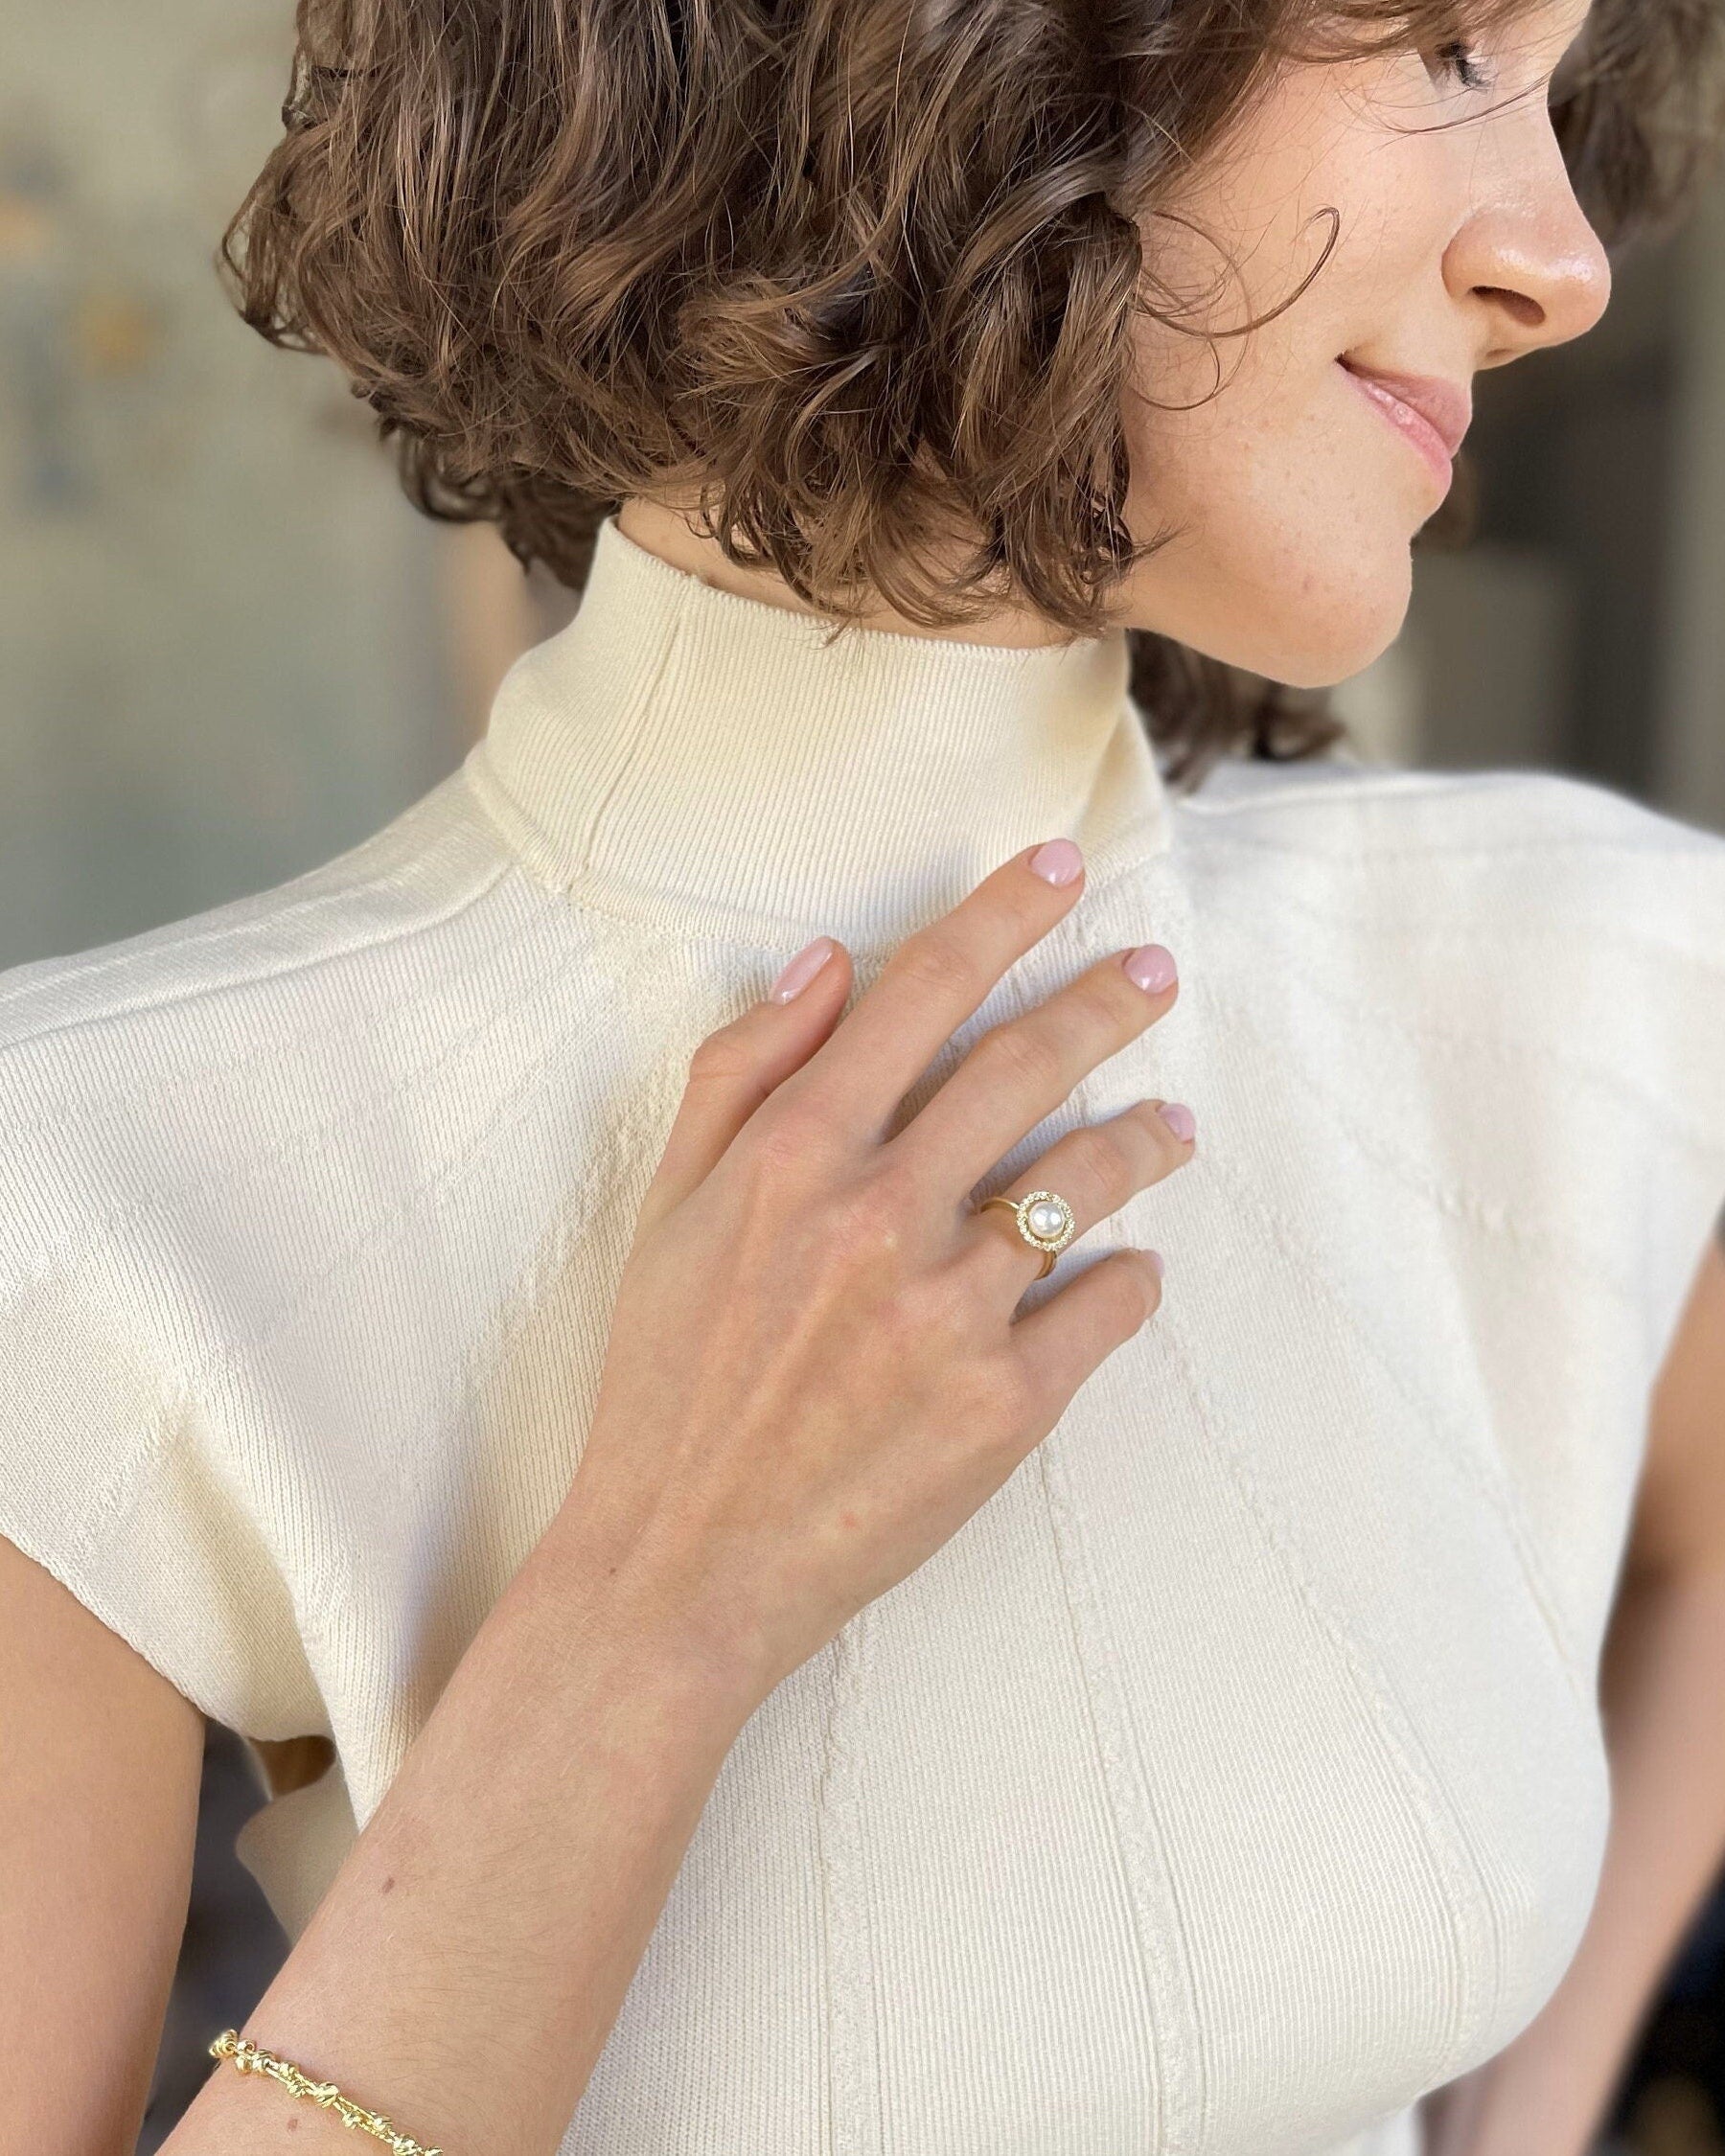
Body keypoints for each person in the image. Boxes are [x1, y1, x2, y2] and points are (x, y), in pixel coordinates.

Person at [4, 0, 1725, 2152]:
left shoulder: (1573, 979)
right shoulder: (93, 1201)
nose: (1560, 264)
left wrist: (1535, 2115)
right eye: (1456, 44)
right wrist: (657, 1610)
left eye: (1558, 89)